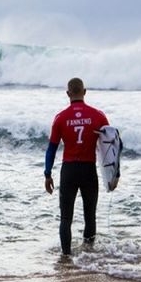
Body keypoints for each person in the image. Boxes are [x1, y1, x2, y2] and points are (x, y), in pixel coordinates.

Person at [44, 77, 109, 255]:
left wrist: (47, 174)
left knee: (66, 218)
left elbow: (51, 149)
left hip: (69, 171)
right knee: (90, 216)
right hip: (89, 170)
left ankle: (66, 258)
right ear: (84, 92)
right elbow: (110, 146)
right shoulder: (98, 116)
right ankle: (88, 256)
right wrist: (113, 175)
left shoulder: (61, 118)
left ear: (68, 93)